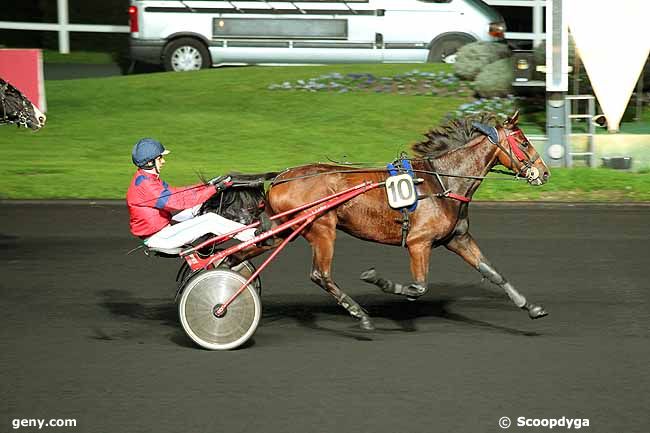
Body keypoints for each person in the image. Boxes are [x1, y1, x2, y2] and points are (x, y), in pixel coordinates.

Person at [126, 138, 257, 253]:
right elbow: (177, 202)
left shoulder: (146, 178)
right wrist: (214, 189)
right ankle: (254, 235)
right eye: (160, 158)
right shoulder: (146, 185)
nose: (163, 161)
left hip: (162, 230)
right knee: (210, 220)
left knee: (200, 207)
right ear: (149, 162)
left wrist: (207, 185)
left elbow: (177, 192)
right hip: (160, 238)